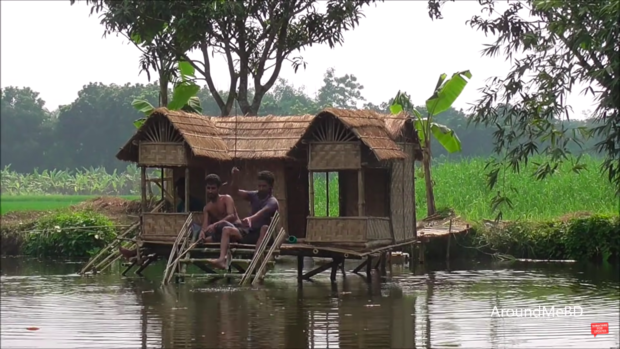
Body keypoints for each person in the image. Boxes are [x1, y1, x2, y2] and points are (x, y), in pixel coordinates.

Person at [208, 168, 279, 270]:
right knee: (226, 229)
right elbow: (235, 191)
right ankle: (221, 260)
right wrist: (235, 178)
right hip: (249, 233)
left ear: (270, 187)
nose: (261, 188)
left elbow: (263, 211)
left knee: (264, 227)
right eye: (259, 186)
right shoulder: (254, 195)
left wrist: (251, 219)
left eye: (264, 186)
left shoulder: (273, 202)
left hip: (265, 237)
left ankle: (256, 259)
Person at [119, 176, 205, 260]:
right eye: (178, 189)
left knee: (155, 242)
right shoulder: (180, 205)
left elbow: (198, 217)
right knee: (151, 239)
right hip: (178, 231)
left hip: (188, 233)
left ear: (186, 190)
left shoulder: (195, 202)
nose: (178, 192)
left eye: (181, 189)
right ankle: (133, 252)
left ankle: (132, 253)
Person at [198, 174, 240, 243]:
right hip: (220, 232)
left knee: (220, 230)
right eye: (208, 188)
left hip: (234, 228)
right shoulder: (207, 208)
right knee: (203, 238)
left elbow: (231, 216)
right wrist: (202, 232)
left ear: (218, 188)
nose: (210, 191)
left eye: (213, 188)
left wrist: (215, 225)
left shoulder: (226, 198)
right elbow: (205, 226)